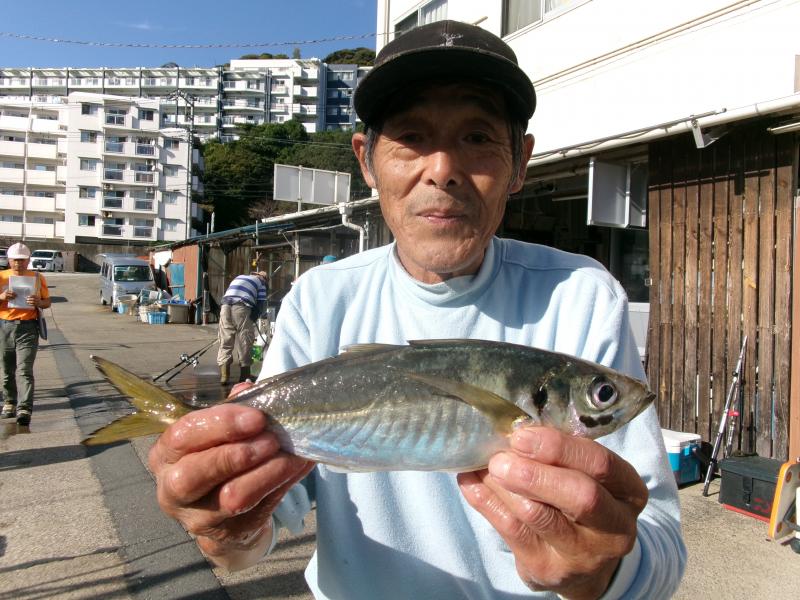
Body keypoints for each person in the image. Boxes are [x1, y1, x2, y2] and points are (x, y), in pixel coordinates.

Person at [148, 20, 686, 599]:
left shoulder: (581, 294)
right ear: (366, 160)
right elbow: (260, 530)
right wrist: (225, 525)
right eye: (410, 136)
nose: (443, 168)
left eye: (478, 137)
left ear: (521, 162)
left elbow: (657, 539)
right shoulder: (321, 299)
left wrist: (604, 571)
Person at [0, 243, 51, 426]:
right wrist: (2, 297)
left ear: (28, 260)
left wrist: (39, 301)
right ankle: (9, 402)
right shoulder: (1, 276)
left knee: (24, 369)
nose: (18, 264)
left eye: (22, 260)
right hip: (4, 326)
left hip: (28, 327)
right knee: (6, 369)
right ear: (9, 260)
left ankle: (24, 408)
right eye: (15, 260)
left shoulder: (37, 277)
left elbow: (47, 302)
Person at [216, 270, 268, 384]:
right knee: (245, 339)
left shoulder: (239, 276)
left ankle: (224, 377)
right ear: (263, 278)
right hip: (241, 306)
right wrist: (256, 316)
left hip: (225, 306)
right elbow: (261, 304)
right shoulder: (261, 283)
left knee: (225, 339)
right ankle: (245, 376)